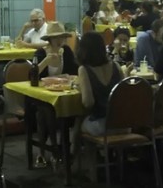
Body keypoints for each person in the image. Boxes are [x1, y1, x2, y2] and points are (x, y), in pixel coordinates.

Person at [33, 21, 78, 167]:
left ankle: (63, 148)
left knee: (71, 110)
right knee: (47, 111)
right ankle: (54, 149)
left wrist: (68, 77)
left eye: (62, 37)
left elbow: (75, 72)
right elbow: (32, 76)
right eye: (56, 37)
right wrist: (46, 61)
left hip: (63, 93)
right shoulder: (41, 53)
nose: (60, 40)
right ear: (50, 39)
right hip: (42, 95)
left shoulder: (67, 51)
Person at [77, 31, 123, 136]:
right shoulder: (116, 66)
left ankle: (76, 146)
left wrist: (81, 88)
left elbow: (88, 103)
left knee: (79, 124)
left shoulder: (84, 69)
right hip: (123, 123)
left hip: (102, 125)